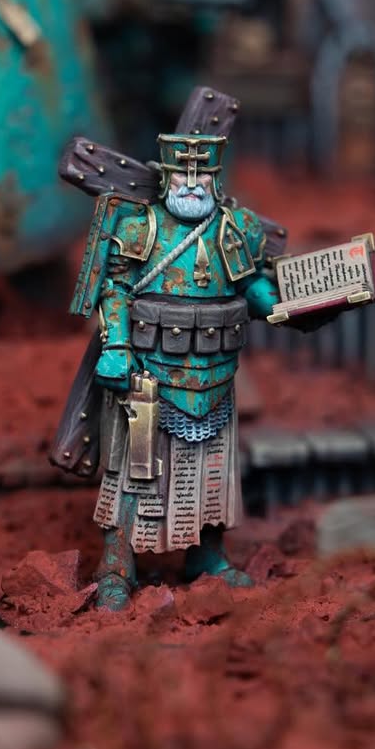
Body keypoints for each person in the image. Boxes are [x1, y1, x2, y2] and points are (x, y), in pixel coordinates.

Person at [57, 130, 283, 609]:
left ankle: (207, 555)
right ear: (165, 176)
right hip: (147, 372)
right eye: (184, 173)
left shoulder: (235, 227)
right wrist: (117, 345)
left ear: (217, 177)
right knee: (133, 472)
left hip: (216, 373)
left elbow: (251, 286)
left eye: (203, 174)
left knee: (211, 472)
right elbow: (116, 288)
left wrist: (291, 307)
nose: (193, 184)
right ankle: (117, 565)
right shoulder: (140, 227)